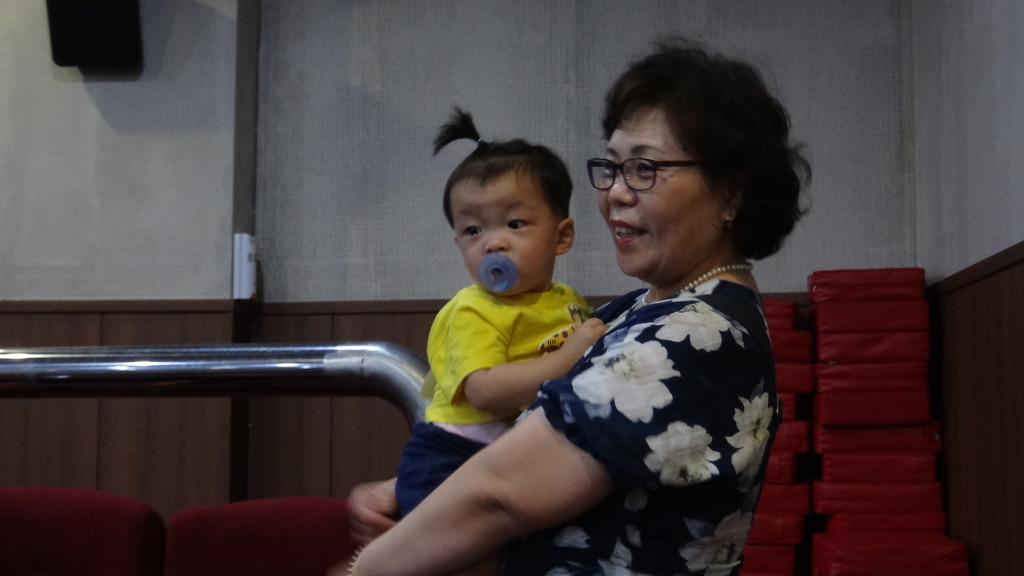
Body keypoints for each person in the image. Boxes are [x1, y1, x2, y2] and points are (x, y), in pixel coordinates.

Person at [336, 37, 810, 576]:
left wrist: (360, 571)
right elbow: (525, 446)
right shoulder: (636, 310)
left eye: (645, 168)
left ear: (730, 193)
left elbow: (502, 492)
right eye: (611, 167)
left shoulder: (697, 337)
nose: (615, 193)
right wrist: (409, 485)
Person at [395, 108, 605, 530]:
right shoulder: (474, 310)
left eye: (514, 223)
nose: (493, 242)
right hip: (452, 457)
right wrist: (565, 360)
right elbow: (484, 391)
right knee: (447, 554)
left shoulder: (567, 301)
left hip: (519, 455)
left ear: (561, 236)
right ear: (458, 243)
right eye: (473, 231)